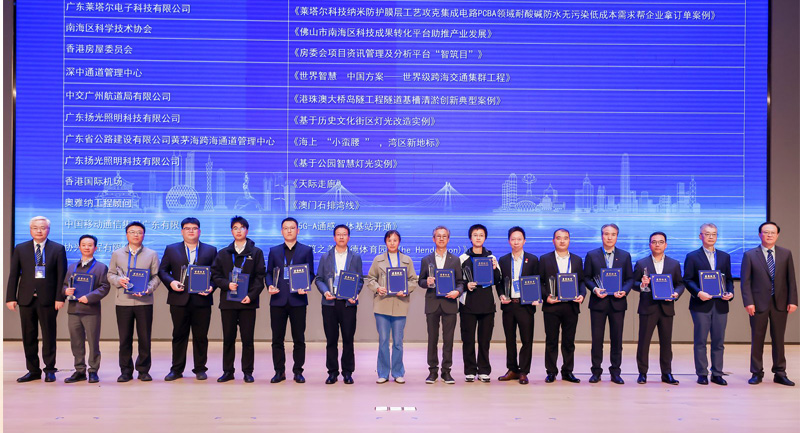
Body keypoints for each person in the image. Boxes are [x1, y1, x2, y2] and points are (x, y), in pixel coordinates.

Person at [5, 216, 68, 383]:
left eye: (43, 228)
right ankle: (33, 370)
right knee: (28, 336)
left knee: (49, 335)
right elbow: (14, 275)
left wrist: (60, 297)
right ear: (30, 230)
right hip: (26, 299)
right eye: (35, 228)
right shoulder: (21, 248)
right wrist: (10, 297)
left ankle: (50, 369)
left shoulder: (58, 248)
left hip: (48, 299)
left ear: (48, 230)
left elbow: (61, 276)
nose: (39, 231)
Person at [158, 217, 218, 381]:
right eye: (187, 228)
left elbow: (217, 274)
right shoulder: (171, 249)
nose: (191, 231)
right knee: (179, 335)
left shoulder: (210, 250)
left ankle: (200, 368)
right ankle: (176, 369)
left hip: (202, 300)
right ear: (182, 231)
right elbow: (162, 271)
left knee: (201, 337)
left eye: (194, 228)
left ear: (200, 231)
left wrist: (211, 287)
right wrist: (171, 282)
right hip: (179, 299)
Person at [741, 222, 798, 386]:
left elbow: (791, 279)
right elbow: (745, 282)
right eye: (766, 232)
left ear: (777, 235)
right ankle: (756, 372)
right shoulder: (750, 255)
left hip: (780, 303)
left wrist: (793, 300)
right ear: (760, 234)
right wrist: (748, 302)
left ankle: (780, 373)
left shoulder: (786, 254)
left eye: (773, 232)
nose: (769, 235)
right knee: (757, 338)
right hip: (758, 304)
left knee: (779, 339)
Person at [210, 216, 266, 383]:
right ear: (231, 231)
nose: (239, 231)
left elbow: (260, 277)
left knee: (247, 339)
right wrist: (227, 284)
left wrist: (251, 296)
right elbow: (215, 275)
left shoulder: (256, 253)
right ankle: (228, 371)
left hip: (247, 302)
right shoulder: (223, 253)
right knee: (228, 339)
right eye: (235, 228)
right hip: (228, 303)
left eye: (242, 227)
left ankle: (248, 372)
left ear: (247, 230)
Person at [107, 221, 161, 383]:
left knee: (145, 338)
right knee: (125, 338)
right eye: (132, 232)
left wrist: (148, 289)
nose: (136, 235)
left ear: (144, 235)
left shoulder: (152, 254)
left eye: (139, 232)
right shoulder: (117, 254)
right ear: (126, 235)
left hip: (144, 302)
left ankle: (143, 370)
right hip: (123, 302)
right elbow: (110, 274)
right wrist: (119, 281)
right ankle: (125, 371)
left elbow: (156, 276)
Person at [683, 223, 735, 385]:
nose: (711, 237)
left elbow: (729, 279)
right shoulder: (692, 256)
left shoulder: (725, 256)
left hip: (720, 305)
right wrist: (699, 292)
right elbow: (687, 280)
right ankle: (702, 373)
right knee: (700, 341)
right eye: (707, 234)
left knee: (719, 341)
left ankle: (717, 373)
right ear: (700, 236)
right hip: (701, 305)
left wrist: (730, 292)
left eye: (714, 234)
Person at [266, 217, 316, 384]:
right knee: (277, 339)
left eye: (292, 228)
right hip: (278, 299)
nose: (289, 231)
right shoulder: (274, 251)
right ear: (281, 231)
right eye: (286, 228)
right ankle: (279, 371)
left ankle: (298, 371)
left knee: (299, 339)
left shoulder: (306, 250)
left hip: (298, 300)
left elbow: (311, 273)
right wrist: (269, 285)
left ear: (298, 230)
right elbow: (269, 273)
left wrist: (306, 285)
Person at [364, 230, 418, 384]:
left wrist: (406, 290)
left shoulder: (407, 260)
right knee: (383, 341)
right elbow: (370, 278)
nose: (392, 243)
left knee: (398, 341)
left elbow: (413, 280)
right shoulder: (378, 259)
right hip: (382, 304)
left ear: (399, 242)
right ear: (385, 242)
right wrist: (377, 288)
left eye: (395, 240)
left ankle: (398, 372)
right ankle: (383, 373)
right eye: (389, 240)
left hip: (400, 304)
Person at [583, 223, 634, 384]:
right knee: (597, 340)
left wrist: (624, 291)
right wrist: (595, 289)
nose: (609, 237)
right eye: (606, 234)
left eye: (613, 234)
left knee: (617, 339)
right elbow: (586, 278)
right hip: (598, 303)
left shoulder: (625, 256)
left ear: (617, 236)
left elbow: (630, 279)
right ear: (601, 236)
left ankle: (615, 372)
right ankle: (596, 371)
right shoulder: (592, 255)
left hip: (618, 303)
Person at [633, 232, 685, 385]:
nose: (657, 245)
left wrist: (676, 294)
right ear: (650, 244)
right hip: (647, 307)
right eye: (654, 242)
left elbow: (680, 284)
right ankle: (642, 373)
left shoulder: (674, 264)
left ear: (666, 245)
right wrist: (642, 284)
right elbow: (633, 283)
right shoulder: (641, 263)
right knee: (644, 342)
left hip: (666, 308)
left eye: (661, 242)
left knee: (666, 343)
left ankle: (666, 373)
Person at [314, 224, 363, 385]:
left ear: (349, 237)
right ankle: (332, 372)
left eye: (344, 234)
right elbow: (319, 279)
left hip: (348, 304)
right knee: (331, 340)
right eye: (338, 234)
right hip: (329, 303)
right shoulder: (325, 257)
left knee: (348, 339)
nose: (341, 237)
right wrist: (325, 292)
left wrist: (355, 293)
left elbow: (360, 280)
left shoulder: (355, 257)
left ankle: (347, 372)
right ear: (334, 237)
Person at [418, 226, 464, 384]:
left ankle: (446, 371)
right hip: (432, 303)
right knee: (432, 339)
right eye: (438, 236)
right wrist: (427, 282)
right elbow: (420, 281)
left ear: (448, 239)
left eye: (444, 236)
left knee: (448, 339)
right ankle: (432, 371)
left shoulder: (455, 260)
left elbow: (460, 282)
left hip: (449, 303)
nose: (441, 239)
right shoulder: (426, 260)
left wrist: (458, 291)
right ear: (433, 239)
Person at [539, 228, 585, 384]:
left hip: (571, 306)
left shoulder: (577, 260)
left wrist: (582, 294)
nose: (562, 241)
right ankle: (551, 372)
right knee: (551, 341)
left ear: (569, 240)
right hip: (552, 306)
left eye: (565, 238)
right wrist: (546, 296)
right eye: (559, 238)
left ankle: (567, 371)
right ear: (553, 241)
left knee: (569, 342)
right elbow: (540, 282)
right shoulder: (544, 259)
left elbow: (581, 282)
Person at [62, 235, 110, 383]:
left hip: (91, 310)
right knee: (76, 342)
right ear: (79, 247)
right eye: (84, 245)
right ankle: (79, 370)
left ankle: (93, 370)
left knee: (93, 342)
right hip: (73, 310)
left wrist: (89, 297)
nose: (87, 247)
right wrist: (65, 291)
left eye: (90, 245)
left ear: (95, 248)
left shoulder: (101, 267)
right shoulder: (72, 267)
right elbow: (64, 285)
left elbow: (105, 287)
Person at [458, 224, 501, 383]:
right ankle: (470, 370)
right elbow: (458, 280)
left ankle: (483, 370)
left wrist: (495, 269)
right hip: (468, 304)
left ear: (485, 238)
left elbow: (497, 280)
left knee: (485, 340)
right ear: (470, 238)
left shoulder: (491, 258)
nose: (478, 237)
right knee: (468, 339)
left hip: (487, 304)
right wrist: (466, 285)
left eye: (481, 235)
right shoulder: (463, 258)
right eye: (475, 235)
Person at [496, 226, 539, 385]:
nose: (516, 242)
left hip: (525, 306)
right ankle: (512, 369)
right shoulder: (503, 260)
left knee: (527, 340)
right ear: (509, 241)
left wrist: (536, 296)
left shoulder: (532, 260)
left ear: (524, 241)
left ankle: (524, 372)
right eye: (513, 239)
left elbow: (538, 280)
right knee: (510, 339)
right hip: (509, 305)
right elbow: (499, 282)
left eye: (519, 239)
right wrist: (501, 294)